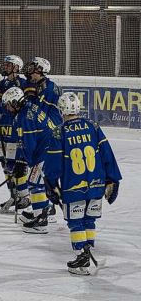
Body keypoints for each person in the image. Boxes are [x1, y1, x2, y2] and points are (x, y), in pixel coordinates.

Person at [44, 92, 122, 275]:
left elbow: (53, 164)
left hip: (73, 187)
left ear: (61, 109)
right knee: (89, 220)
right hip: (96, 185)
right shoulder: (93, 126)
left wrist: (51, 183)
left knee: (76, 222)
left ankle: (81, 254)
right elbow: (107, 154)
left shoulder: (59, 132)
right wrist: (112, 178)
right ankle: (87, 250)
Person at [0, 86, 61, 233]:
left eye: (8, 104)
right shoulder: (27, 109)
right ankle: (42, 211)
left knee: (34, 182)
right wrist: (15, 161)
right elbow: (22, 141)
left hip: (47, 151)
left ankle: (41, 220)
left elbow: (29, 143)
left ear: (15, 102)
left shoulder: (24, 116)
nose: (7, 108)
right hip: (49, 149)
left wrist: (21, 161)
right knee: (39, 182)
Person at [0, 55, 28, 213]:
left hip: (15, 131)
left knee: (15, 164)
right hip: (1, 130)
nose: (6, 67)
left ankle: (24, 196)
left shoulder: (22, 84)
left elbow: (3, 104)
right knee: (5, 165)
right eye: (6, 64)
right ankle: (14, 194)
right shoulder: (2, 83)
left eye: (9, 65)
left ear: (17, 67)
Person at [23, 56, 62, 123]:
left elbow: (39, 110)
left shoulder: (48, 88)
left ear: (39, 70)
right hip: (48, 123)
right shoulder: (42, 85)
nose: (29, 71)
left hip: (52, 125)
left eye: (32, 69)